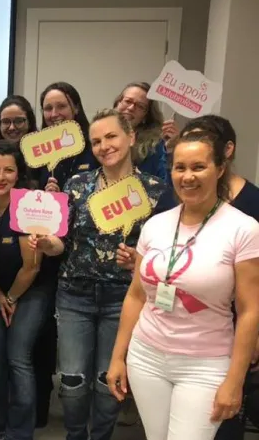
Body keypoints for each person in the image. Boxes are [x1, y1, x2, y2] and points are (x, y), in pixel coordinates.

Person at [107, 129, 259, 440]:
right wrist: (118, 356)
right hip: (146, 355)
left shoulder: (243, 229)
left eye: (198, 167)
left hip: (204, 364)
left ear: (219, 168)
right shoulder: (156, 224)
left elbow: (249, 312)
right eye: (180, 167)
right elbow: (136, 296)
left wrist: (235, 379)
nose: (187, 176)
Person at [31, 109, 171, 440]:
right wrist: (48, 242)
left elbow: (165, 253)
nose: (103, 146)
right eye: (96, 141)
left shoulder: (155, 191)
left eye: (111, 137)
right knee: (73, 380)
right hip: (74, 295)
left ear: (131, 137)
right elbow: (61, 241)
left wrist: (138, 260)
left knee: (109, 380)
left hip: (124, 298)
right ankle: (75, 435)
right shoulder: (77, 185)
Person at [181, 117, 259, 440]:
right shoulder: (178, 197)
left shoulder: (252, 206)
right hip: (182, 333)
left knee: (224, 414)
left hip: (233, 331)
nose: (189, 175)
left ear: (225, 154)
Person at [0, 140, 48, 440]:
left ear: (19, 174)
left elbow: (32, 267)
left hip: (31, 290)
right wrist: (0, 295)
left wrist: (12, 298)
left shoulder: (28, 205)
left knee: (17, 357)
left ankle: (18, 432)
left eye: (8, 170)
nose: (0, 177)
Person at [33, 81, 98, 426]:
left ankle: (86, 413)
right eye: (48, 108)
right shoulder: (38, 153)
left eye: (61, 106)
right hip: (45, 255)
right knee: (44, 334)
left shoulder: (93, 150)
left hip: (82, 260)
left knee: (81, 345)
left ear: (75, 108)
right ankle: (41, 407)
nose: (54, 114)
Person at [113, 82, 170, 183]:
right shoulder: (98, 136)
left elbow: (166, 184)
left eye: (140, 106)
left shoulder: (155, 146)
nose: (131, 108)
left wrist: (171, 151)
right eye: (128, 101)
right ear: (118, 103)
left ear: (145, 117)